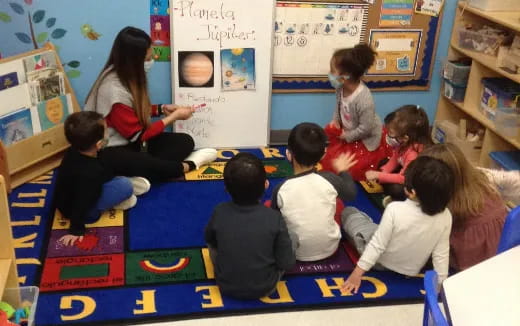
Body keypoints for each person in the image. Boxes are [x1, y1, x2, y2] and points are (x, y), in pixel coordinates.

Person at [84, 26, 217, 182]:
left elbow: (132, 112)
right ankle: (190, 165)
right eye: (147, 59)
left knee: (185, 141)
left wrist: (161, 109)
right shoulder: (113, 90)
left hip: (132, 142)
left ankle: (141, 174)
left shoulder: (126, 75)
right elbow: (139, 136)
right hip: (113, 149)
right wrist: (173, 117)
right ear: (134, 61)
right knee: (152, 164)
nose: (151, 60)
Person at [342, 156, 454, 294]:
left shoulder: (395, 209)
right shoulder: (446, 215)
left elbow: (376, 245)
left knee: (349, 213)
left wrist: (356, 275)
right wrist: (440, 287)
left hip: (380, 264)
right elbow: (441, 254)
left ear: (412, 192)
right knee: (376, 228)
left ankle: (364, 220)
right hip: (412, 268)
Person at [205, 153, 295, 299]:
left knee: (213, 243)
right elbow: (286, 262)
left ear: (226, 188)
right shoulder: (274, 217)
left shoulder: (219, 211)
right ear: (265, 185)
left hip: (225, 284)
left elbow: (209, 239)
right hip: (266, 286)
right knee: (293, 237)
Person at [54, 111, 150, 246]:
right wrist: (76, 229)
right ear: (98, 144)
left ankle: (124, 187)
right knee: (124, 186)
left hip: (76, 193)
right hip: (85, 209)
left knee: (114, 173)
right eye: (106, 131)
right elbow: (81, 202)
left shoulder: (74, 151)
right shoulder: (89, 174)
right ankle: (121, 199)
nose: (108, 133)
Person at [421, 143, 520, 270]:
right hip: (504, 239)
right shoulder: (478, 174)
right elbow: (514, 179)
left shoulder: (452, 203)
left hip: (476, 255)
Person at [272, 122, 358, 262]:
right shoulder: (330, 179)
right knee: (343, 207)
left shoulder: (282, 188)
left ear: (288, 154)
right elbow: (351, 194)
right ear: (324, 154)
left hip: (294, 252)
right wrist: (343, 171)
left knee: (273, 206)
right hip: (330, 248)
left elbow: (274, 220)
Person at [320, 44, 391, 181]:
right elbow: (338, 107)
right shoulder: (340, 88)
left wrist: (347, 136)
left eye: (332, 70)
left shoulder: (364, 99)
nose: (329, 73)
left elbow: (366, 128)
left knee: (350, 169)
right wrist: (335, 122)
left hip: (363, 139)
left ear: (345, 76)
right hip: (347, 132)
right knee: (330, 159)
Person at [365, 105, 431, 203]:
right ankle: (386, 185)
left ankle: (397, 200)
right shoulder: (405, 142)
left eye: (392, 133)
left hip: (412, 182)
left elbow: (403, 179)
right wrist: (383, 172)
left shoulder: (413, 154)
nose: (388, 135)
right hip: (405, 171)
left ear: (405, 138)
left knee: (396, 189)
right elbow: (395, 159)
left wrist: (379, 176)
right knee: (383, 163)